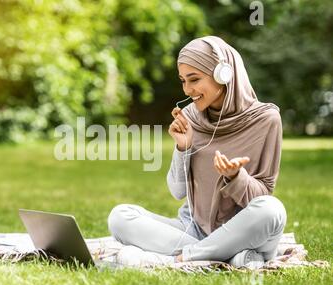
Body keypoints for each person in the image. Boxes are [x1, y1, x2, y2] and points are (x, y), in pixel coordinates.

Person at [107, 36, 287, 269]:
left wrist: (235, 177)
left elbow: (262, 196)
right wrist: (183, 148)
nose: (187, 90)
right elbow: (177, 191)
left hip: (246, 230)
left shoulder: (266, 120)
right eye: (183, 81)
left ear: (224, 74)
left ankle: (177, 259)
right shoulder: (191, 117)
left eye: (194, 79)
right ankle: (225, 256)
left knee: (272, 211)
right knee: (121, 216)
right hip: (194, 228)